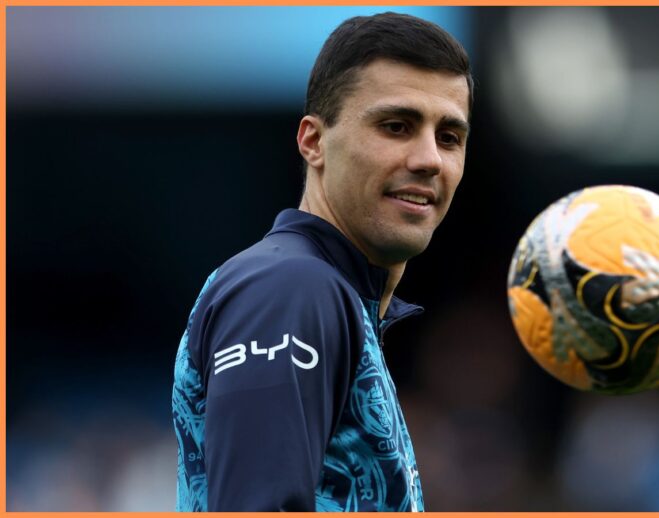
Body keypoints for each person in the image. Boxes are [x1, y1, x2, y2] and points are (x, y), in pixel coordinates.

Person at [171, 12, 473, 512]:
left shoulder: (332, 296)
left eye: (449, 137)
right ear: (313, 142)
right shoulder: (288, 287)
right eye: (396, 127)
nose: (429, 160)